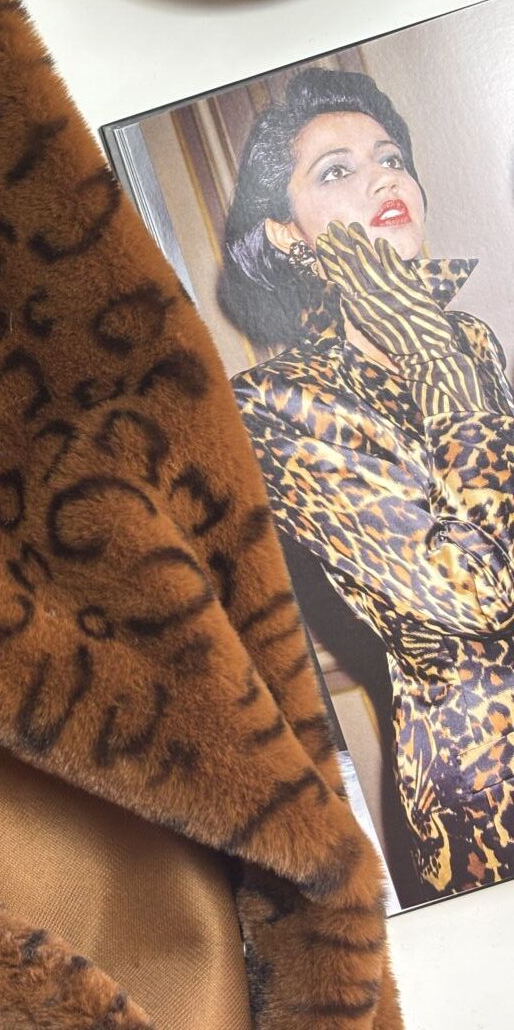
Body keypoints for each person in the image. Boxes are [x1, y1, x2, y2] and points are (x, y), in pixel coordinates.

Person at [221, 66, 514, 897]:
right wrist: (432, 358)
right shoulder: (278, 401)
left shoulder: (469, 340)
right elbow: (472, 594)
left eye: (390, 157)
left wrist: (440, 349)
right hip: (485, 770)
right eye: (335, 171)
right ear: (287, 235)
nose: (385, 178)